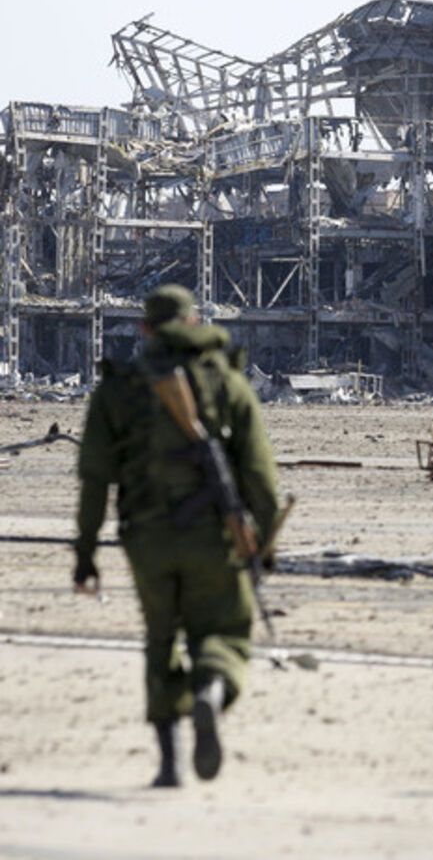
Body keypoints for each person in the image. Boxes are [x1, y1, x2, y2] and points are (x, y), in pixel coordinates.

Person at [73, 285, 279, 787]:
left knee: (160, 637)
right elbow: (259, 476)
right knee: (225, 631)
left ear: (144, 328)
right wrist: (264, 541)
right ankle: (210, 690)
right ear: (192, 323)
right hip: (214, 536)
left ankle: (169, 764)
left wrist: (85, 553)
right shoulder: (227, 382)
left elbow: (95, 479)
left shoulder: (118, 387)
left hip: (147, 538)